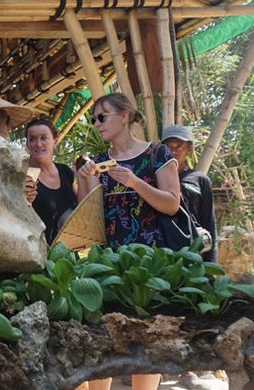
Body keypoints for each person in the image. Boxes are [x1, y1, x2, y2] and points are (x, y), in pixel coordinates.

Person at [77, 92, 181, 390]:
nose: (97, 123)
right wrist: (85, 180)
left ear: (124, 116)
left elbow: (172, 204)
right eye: (93, 118)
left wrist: (134, 182)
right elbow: (91, 217)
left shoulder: (157, 155)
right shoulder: (98, 162)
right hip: (110, 264)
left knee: (147, 339)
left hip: (152, 263)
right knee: (106, 337)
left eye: (102, 116)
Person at [161, 125, 217, 262]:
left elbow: (208, 221)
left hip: (194, 246)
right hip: (164, 247)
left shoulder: (200, 179)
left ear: (189, 150)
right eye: (168, 147)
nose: (173, 151)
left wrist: (211, 265)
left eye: (179, 146)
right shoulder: (155, 179)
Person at [25, 118, 78, 244]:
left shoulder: (65, 171)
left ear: (55, 142)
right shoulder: (24, 177)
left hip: (69, 253)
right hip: (41, 253)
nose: (38, 144)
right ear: (27, 144)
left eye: (44, 138)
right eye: (32, 139)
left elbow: (78, 208)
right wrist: (26, 201)